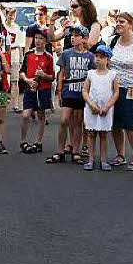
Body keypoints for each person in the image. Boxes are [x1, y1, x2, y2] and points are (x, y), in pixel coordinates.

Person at [107, 12, 133, 171]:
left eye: (122, 21)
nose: (118, 24)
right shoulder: (113, 41)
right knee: (116, 123)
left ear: (130, 24)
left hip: (131, 87)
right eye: (117, 21)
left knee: (131, 123)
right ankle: (120, 155)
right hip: (113, 87)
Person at [47, 25, 92, 164]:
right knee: (63, 120)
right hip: (68, 90)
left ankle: (76, 151)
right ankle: (60, 150)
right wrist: (59, 92)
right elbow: (61, 73)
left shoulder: (89, 56)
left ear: (84, 38)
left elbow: (92, 76)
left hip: (81, 92)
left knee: (78, 122)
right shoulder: (66, 53)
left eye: (77, 35)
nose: (73, 37)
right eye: (72, 35)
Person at [82, 45, 120, 171]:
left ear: (108, 59)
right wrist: (91, 104)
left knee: (103, 134)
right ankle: (91, 159)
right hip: (92, 108)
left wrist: (108, 106)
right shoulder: (90, 74)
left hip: (106, 109)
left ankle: (104, 160)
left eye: (101, 57)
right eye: (96, 56)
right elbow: (85, 91)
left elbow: (116, 92)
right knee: (91, 134)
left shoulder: (113, 74)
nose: (98, 59)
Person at [19, 25, 54, 153]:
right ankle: (23, 141)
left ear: (45, 41)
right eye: (36, 37)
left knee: (41, 115)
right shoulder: (28, 54)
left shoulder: (48, 57)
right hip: (30, 90)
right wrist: (27, 80)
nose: (38, 40)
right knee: (25, 115)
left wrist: (43, 75)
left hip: (43, 90)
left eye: (41, 38)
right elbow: (21, 72)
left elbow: (52, 77)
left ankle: (38, 142)